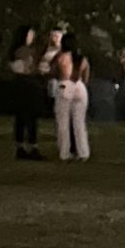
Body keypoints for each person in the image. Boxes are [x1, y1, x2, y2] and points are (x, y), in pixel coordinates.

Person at [48, 28, 91, 163]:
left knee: (63, 123)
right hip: (79, 87)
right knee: (79, 123)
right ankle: (83, 152)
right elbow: (86, 77)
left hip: (64, 86)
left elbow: (52, 70)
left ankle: (65, 153)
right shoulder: (82, 59)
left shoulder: (60, 56)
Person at [8, 26, 44, 159]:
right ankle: (29, 146)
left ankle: (23, 146)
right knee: (27, 117)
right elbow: (23, 68)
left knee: (23, 118)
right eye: (30, 35)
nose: (32, 37)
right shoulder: (24, 52)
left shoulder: (26, 51)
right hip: (26, 85)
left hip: (24, 85)